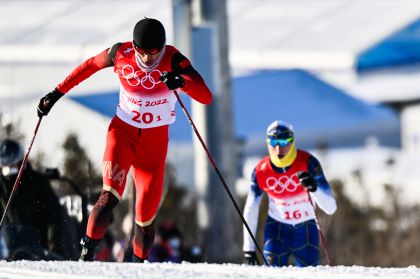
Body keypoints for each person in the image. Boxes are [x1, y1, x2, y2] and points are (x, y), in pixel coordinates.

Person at [37, 17, 212, 262]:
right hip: (123, 135)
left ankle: (137, 267)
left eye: (154, 52)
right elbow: (88, 67)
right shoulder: (121, 53)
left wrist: (182, 82)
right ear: (134, 45)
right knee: (108, 199)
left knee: (144, 222)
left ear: (162, 47)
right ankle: (86, 255)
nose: (149, 58)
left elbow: (205, 96)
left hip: (153, 148)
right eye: (143, 51)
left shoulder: (174, 59)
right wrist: (55, 94)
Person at [242, 120, 337, 267]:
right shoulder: (261, 171)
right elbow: (251, 209)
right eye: (273, 142)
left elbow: (331, 208)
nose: (278, 148)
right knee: (272, 276)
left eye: (284, 141)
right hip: (277, 229)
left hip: (305, 228)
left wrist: (315, 188)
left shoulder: (308, 162)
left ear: (292, 142)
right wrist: (249, 249)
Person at [0, 139, 80, 260]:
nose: (8, 168)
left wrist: (52, 242)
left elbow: (54, 214)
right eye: (5, 164)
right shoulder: (1, 186)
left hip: (37, 249)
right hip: (7, 250)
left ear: (21, 161)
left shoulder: (37, 182)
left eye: (12, 164)